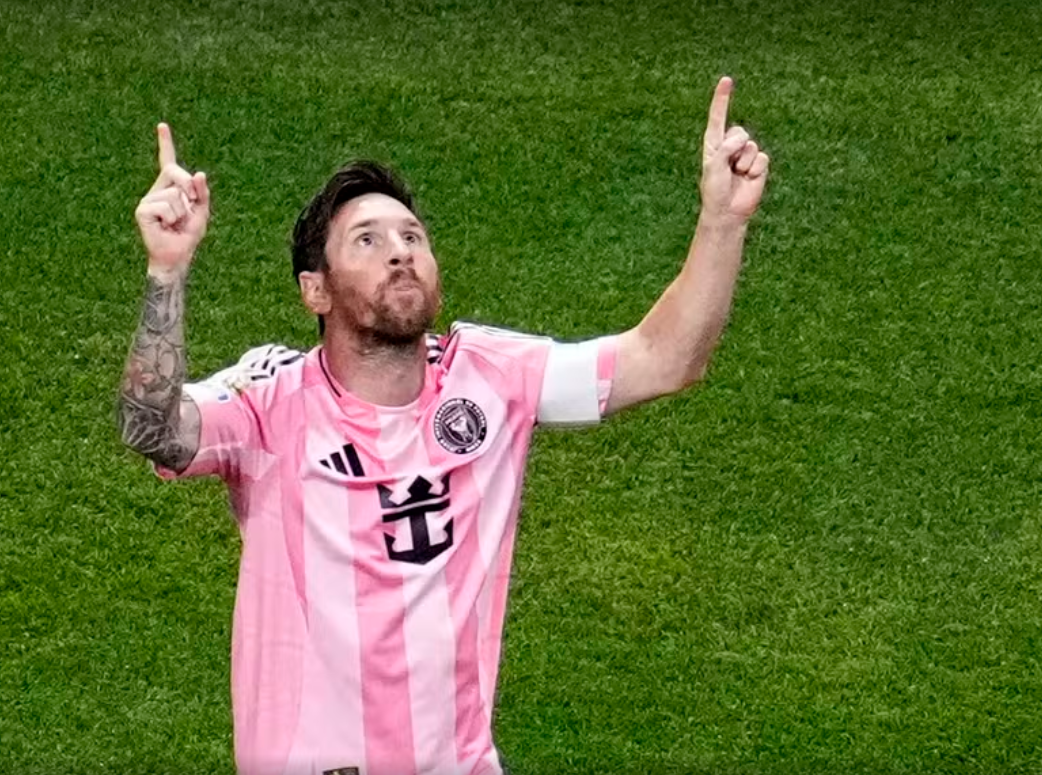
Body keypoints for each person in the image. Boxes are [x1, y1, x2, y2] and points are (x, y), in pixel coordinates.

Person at [118, 76, 769, 775]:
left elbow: (665, 359)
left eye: (412, 236)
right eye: (367, 240)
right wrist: (167, 273)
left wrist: (722, 221)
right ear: (316, 289)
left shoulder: (489, 376)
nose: (399, 251)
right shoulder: (267, 399)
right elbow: (152, 429)